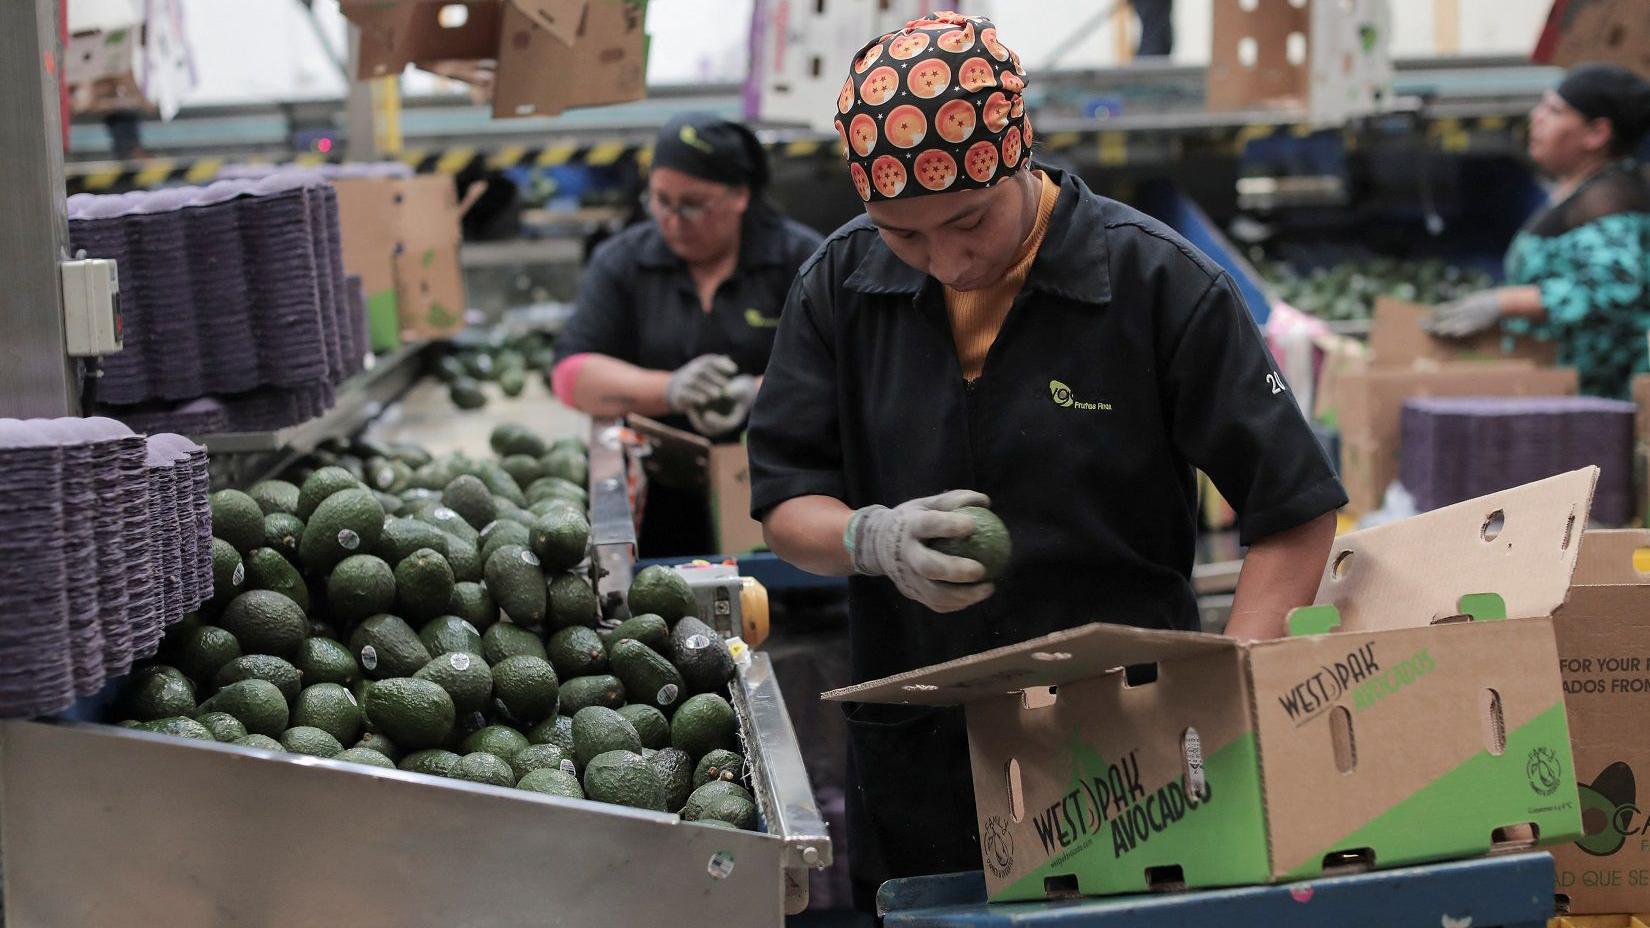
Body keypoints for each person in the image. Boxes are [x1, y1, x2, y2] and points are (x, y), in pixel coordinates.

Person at [746, 11, 1345, 910]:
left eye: (968, 221)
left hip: (1124, 738)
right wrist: (872, 539)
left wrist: (1229, 711)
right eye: (904, 236)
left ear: (1017, 156)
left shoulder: (1157, 286)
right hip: (923, 752)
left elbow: (1292, 511)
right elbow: (787, 499)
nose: (945, 260)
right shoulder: (840, 283)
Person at [552, 114, 823, 556]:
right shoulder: (622, 264)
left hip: (784, 491)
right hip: (661, 500)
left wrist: (759, 392)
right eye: (660, 201)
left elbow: (848, 368)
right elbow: (571, 375)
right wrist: (672, 389)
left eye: (694, 204)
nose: (674, 220)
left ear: (740, 195)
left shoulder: (802, 259)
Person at [1427, 63, 1650, 399]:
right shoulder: (1579, 189)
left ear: (1597, 134)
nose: (1537, 117)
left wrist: (1506, 303)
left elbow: (1616, 286)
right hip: (1562, 396)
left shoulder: (1610, 197)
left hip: (1601, 406)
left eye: (1555, 110)